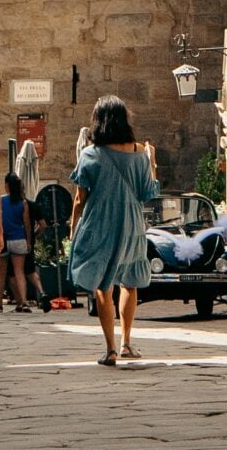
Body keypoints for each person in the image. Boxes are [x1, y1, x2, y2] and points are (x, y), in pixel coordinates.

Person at [68, 95, 161, 366]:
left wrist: (74, 230)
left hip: (99, 224)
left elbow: (79, 198)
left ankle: (110, 348)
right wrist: (152, 164)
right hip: (131, 224)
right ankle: (127, 342)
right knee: (130, 282)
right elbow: (146, 193)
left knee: (102, 285)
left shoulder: (90, 154)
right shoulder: (138, 153)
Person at [0, 172, 38, 310]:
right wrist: (28, 241)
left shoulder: (1, 201)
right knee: (19, 272)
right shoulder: (23, 203)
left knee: (1, 274)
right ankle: (24, 302)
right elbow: (27, 224)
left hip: (4, 239)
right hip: (19, 238)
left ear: (7, 186)